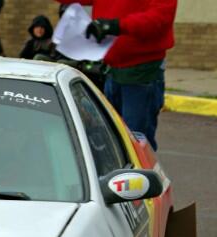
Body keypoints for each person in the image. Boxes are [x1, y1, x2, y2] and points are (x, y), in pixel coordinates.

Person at [54, 0, 177, 150]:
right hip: (112, 69)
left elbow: (159, 18)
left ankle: (142, 173)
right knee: (112, 139)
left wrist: (116, 26)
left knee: (136, 143)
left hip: (141, 72)